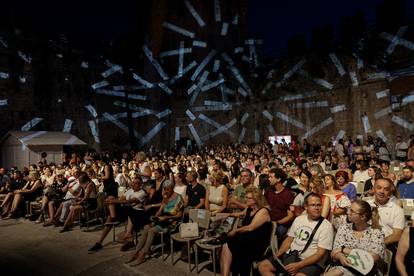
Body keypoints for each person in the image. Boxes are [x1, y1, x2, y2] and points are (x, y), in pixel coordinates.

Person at [258, 193, 334, 276]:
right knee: (263, 266)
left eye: (319, 205)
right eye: (313, 205)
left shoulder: (326, 226)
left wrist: (299, 265)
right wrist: (278, 255)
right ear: (306, 207)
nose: (316, 208)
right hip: (291, 256)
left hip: (311, 263)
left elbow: (320, 254)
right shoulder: (299, 219)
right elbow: (289, 239)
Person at [126, 182, 183, 265]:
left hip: (172, 222)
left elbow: (179, 215)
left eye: (168, 189)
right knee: (146, 227)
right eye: (164, 189)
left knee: (152, 230)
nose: (166, 191)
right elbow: (160, 210)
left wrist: (168, 217)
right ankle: (136, 251)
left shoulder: (178, 198)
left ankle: (142, 254)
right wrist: (155, 217)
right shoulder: (166, 198)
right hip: (163, 219)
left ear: (172, 188)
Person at [324, 200, 385, 276]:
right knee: (337, 272)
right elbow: (335, 252)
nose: (348, 212)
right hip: (344, 267)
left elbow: (373, 257)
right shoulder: (344, 228)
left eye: (352, 211)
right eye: (349, 209)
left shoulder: (376, 233)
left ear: (363, 217)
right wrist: (341, 256)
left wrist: (344, 250)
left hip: (366, 272)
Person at [220, 187, 272, 276]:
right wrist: (228, 214)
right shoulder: (249, 208)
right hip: (247, 239)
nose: (246, 199)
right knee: (226, 243)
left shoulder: (263, 211)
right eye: (246, 197)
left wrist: (236, 231)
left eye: (249, 198)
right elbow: (240, 214)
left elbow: (250, 228)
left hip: (257, 243)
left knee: (228, 243)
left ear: (256, 199)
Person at [88, 175, 147, 252]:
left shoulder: (142, 193)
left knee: (117, 203)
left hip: (137, 213)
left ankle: (114, 219)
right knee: (111, 201)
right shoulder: (130, 191)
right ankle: (99, 242)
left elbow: (129, 201)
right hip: (127, 211)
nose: (133, 184)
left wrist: (114, 201)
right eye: (133, 183)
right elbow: (120, 199)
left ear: (140, 185)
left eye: (136, 183)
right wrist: (111, 201)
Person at [265, 168, 294, 237]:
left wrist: (276, 223)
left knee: (274, 232)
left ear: (278, 179)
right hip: (268, 221)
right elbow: (264, 207)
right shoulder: (269, 191)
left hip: (281, 224)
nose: (269, 179)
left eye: (271, 177)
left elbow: (290, 216)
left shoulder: (288, 194)